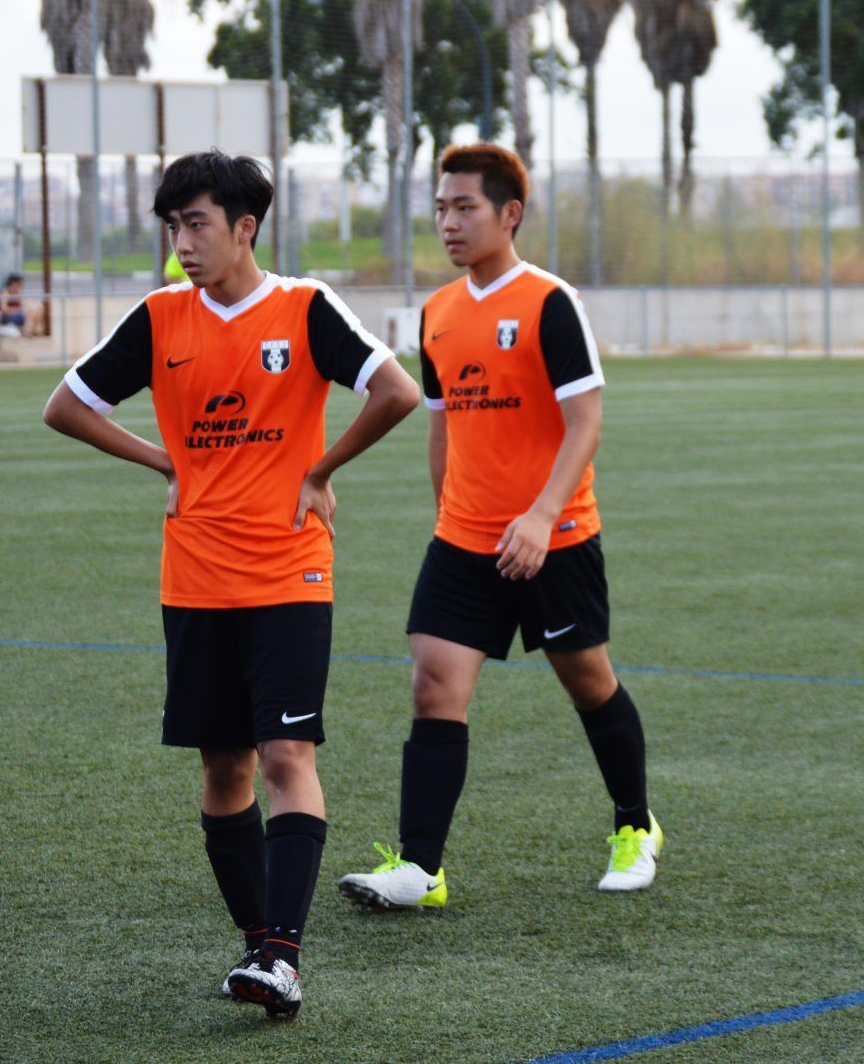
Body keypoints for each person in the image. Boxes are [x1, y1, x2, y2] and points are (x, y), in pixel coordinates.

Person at [42, 149, 419, 1018]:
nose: (182, 242)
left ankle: (283, 957)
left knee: (288, 754)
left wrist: (320, 469)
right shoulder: (161, 318)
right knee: (223, 769)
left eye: (197, 224)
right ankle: (260, 947)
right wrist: (159, 460)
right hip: (196, 578)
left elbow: (396, 392)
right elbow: (64, 406)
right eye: (172, 226)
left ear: (246, 228)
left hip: (290, 571)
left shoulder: (303, 308)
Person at [337, 142, 660, 913]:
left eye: (464, 207)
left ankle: (634, 825)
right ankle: (421, 868)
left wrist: (543, 515)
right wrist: (447, 514)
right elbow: (442, 426)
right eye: (441, 208)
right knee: (432, 684)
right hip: (464, 540)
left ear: (509, 213)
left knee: (588, 681)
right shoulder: (438, 312)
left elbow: (585, 422)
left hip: (557, 535)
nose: (448, 222)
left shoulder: (549, 301)